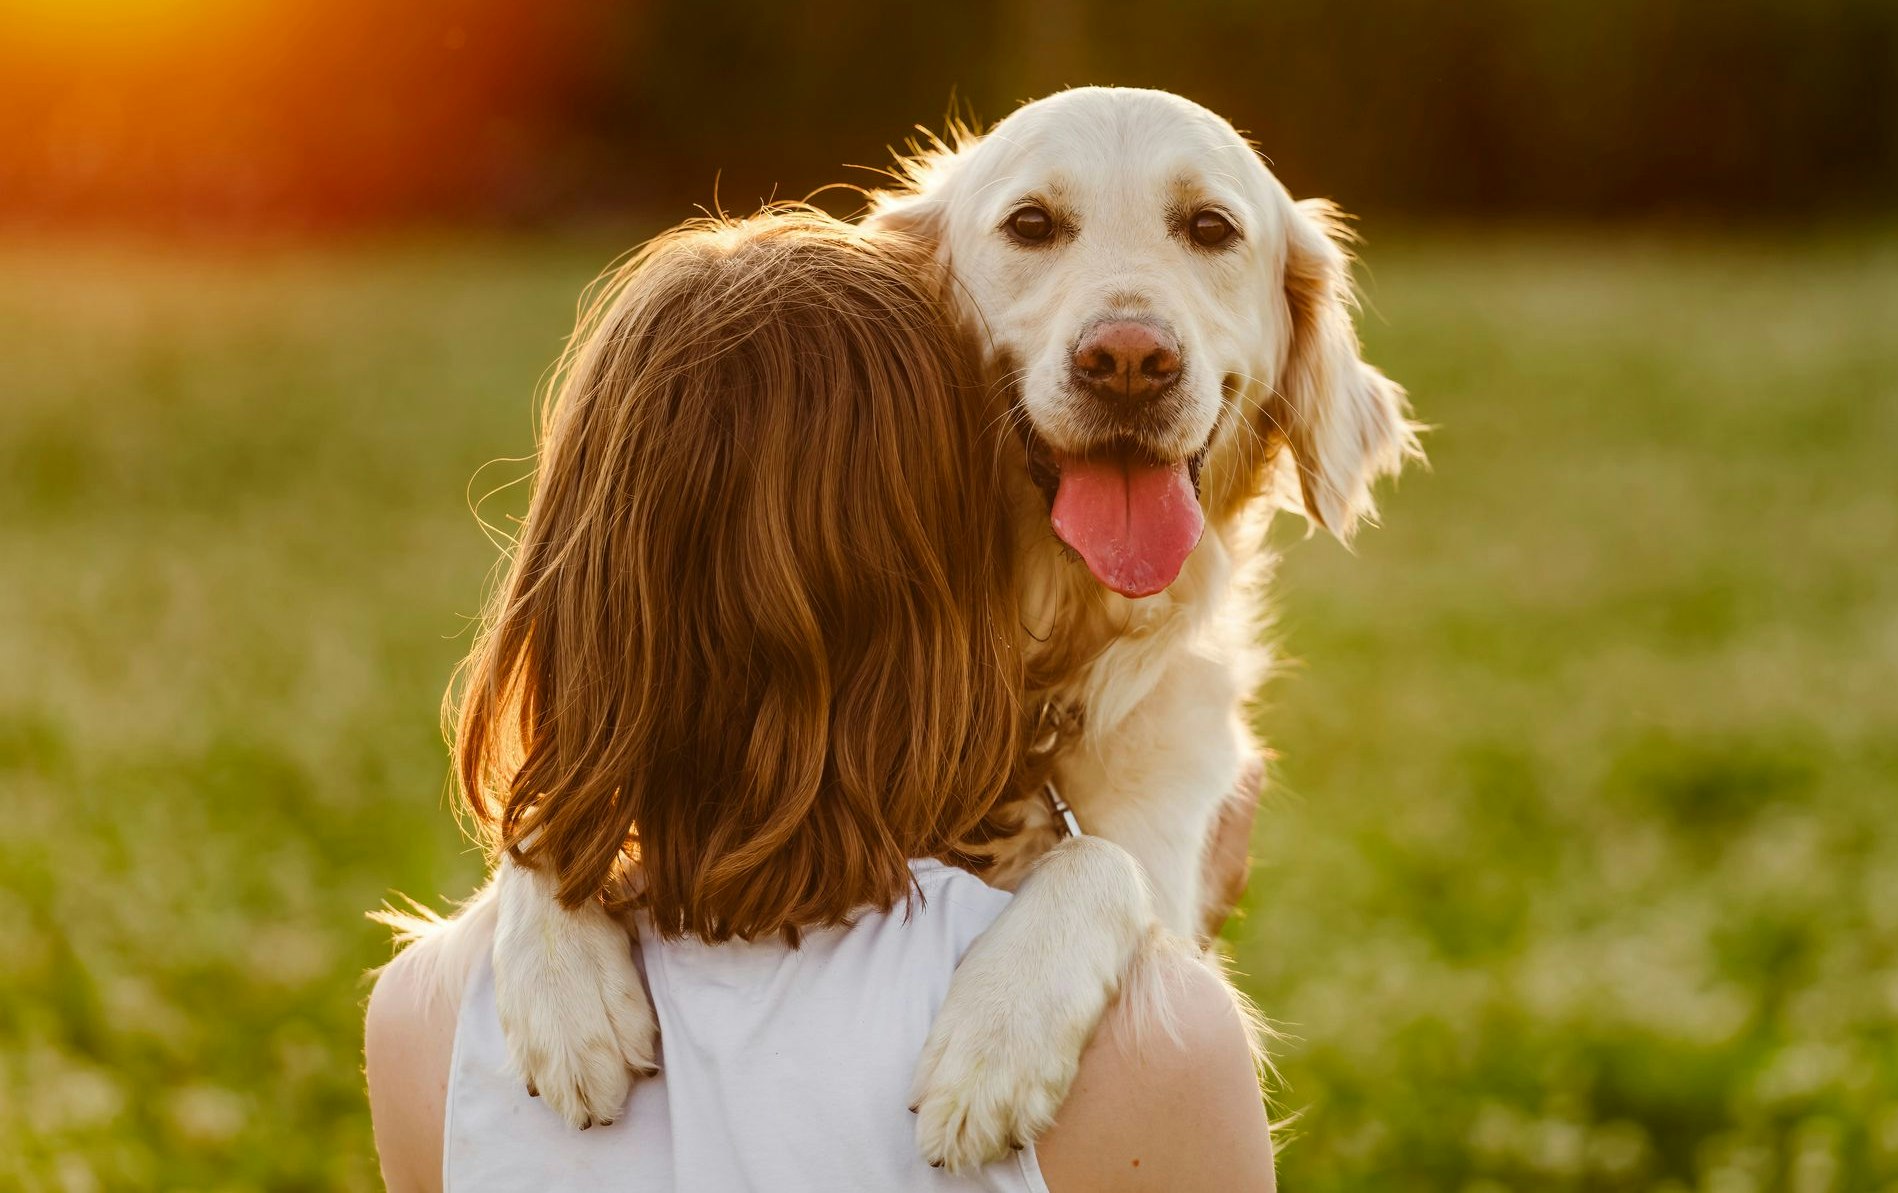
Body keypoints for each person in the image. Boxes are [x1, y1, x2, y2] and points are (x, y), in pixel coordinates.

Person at [363, 211, 1275, 1192]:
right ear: (954, 583)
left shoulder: (426, 1021)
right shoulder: (1157, 1045)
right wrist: (1162, 956)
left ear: (570, 583)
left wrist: (548, 855)